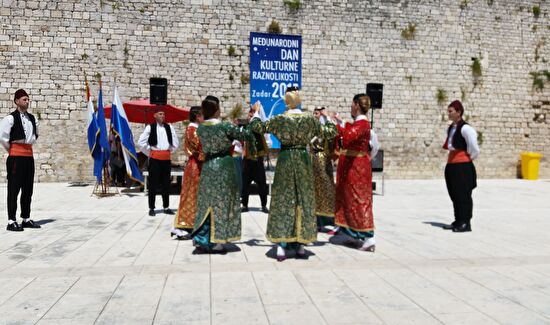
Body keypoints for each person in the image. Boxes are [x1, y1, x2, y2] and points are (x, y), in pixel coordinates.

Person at [249, 88, 337, 261]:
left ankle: (282, 245)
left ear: (286, 102)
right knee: (302, 198)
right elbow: (330, 132)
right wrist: (328, 119)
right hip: (303, 160)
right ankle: (301, 245)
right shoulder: (309, 119)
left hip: (286, 159)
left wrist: (257, 113)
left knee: (284, 199)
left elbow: (258, 127)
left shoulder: (281, 119)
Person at [191, 96, 255, 254]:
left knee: (207, 203)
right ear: (216, 109)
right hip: (224, 167)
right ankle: (217, 240)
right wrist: (255, 120)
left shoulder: (201, 128)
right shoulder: (225, 126)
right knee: (222, 202)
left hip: (208, 166)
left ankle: (202, 238)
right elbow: (247, 136)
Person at [332, 94, 377, 252]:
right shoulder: (358, 124)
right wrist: (341, 123)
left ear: (357, 105)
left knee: (360, 200)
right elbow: (350, 130)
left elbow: (348, 137)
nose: (350, 106)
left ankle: (369, 236)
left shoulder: (363, 123)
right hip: (352, 167)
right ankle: (353, 234)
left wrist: (336, 127)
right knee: (349, 199)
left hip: (357, 168)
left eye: (352, 104)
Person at [0, 89, 41, 231]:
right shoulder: (10, 119)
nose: (27, 101)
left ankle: (26, 218)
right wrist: (13, 150)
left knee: (28, 189)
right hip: (16, 157)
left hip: (29, 157)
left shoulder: (32, 118)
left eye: (28, 99)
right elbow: (3, 138)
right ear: (17, 101)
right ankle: (11, 221)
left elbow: (35, 136)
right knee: (14, 188)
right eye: (24, 99)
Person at [442, 100, 479, 232]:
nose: (449, 113)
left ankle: (465, 222)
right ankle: (458, 220)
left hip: (462, 165)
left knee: (463, 194)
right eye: (448, 111)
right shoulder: (451, 127)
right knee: (454, 193)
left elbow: (474, 148)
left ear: (459, 112)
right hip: (452, 164)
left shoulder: (466, 129)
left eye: (451, 111)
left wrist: (467, 160)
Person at [138, 108, 179, 216]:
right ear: (155, 115)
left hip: (166, 158)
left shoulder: (169, 127)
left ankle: (166, 207)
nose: (162, 116)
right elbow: (141, 142)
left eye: (163, 114)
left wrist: (169, 151)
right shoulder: (150, 127)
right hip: (155, 159)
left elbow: (175, 142)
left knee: (166, 183)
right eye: (160, 114)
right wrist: (150, 153)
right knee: (153, 184)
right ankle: (152, 208)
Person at [172, 106, 204, 239]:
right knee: (191, 196)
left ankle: (190, 224)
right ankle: (184, 225)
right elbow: (199, 149)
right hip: (195, 166)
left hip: (196, 165)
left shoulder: (194, 129)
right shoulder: (193, 130)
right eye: (203, 115)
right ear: (197, 116)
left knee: (193, 196)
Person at [310, 107, 337, 232]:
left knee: (326, 188)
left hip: (324, 159)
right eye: (314, 113)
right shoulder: (311, 126)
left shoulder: (325, 127)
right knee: (314, 190)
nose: (316, 115)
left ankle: (329, 219)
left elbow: (333, 134)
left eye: (318, 113)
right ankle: (316, 220)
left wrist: (327, 118)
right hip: (313, 159)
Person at [241, 108, 269, 214]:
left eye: (252, 114)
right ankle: (244, 205)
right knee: (245, 184)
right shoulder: (244, 128)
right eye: (249, 115)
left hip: (257, 160)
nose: (250, 116)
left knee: (262, 184)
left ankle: (263, 205)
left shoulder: (258, 127)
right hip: (247, 160)